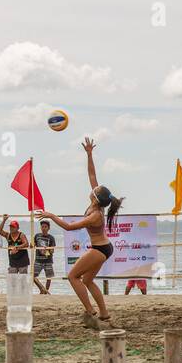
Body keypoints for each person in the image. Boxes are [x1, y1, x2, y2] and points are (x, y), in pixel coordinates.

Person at [35, 138, 118, 329]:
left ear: (95, 197)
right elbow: (92, 174)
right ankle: (104, 314)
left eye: (95, 189)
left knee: (73, 276)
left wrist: (51, 215)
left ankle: (90, 311)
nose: (93, 187)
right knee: (87, 280)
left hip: (100, 248)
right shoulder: (97, 203)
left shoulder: (95, 215)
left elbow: (69, 228)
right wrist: (89, 154)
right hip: (104, 247)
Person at [32, 219, 56, 294]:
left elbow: (52, 250)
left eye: (45, 227)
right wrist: (32, 244)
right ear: (41, 227)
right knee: (32, 276)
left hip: (48, 260)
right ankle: (42, 289)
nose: (44, 228)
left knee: (49, 277)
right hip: (38, 260)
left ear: (48, 228)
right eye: (42, 227)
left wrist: (47, 250)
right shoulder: (37, 236)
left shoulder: (51, 238)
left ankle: (45, 291)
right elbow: (32, 245)